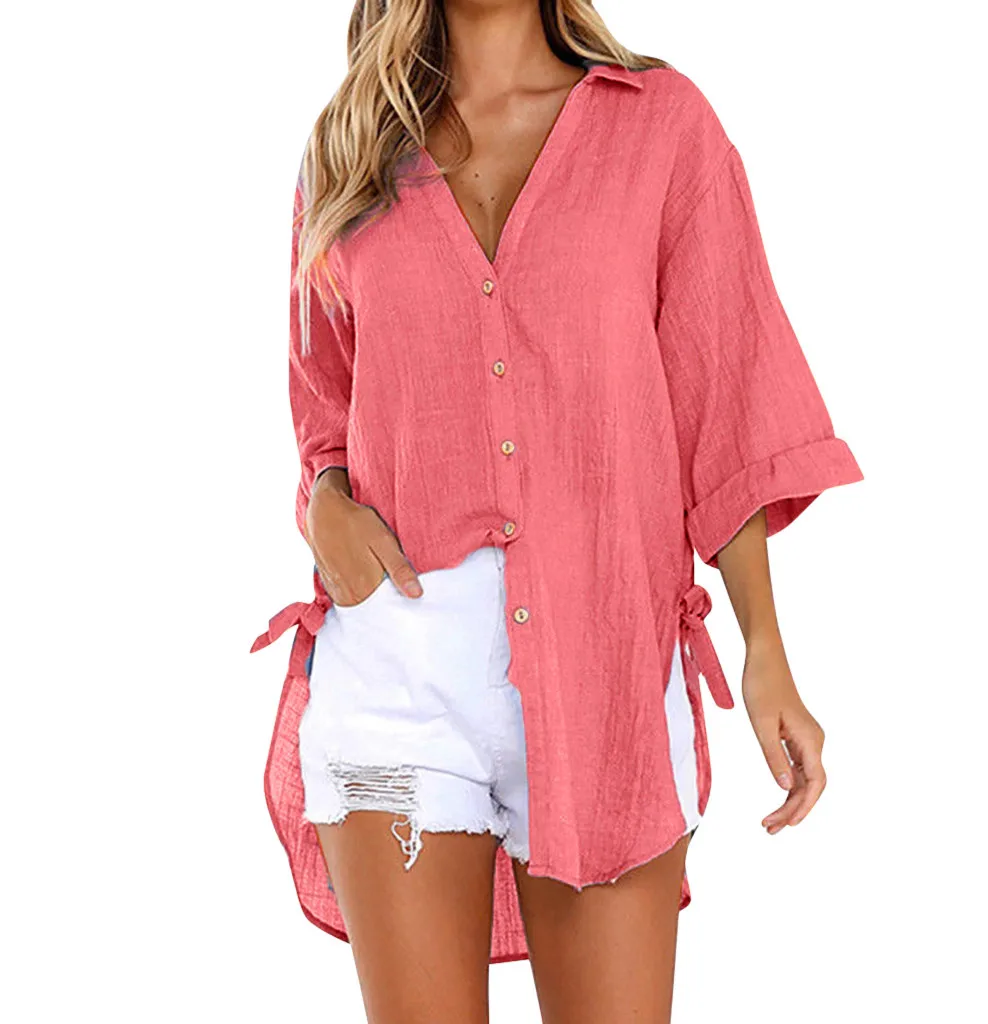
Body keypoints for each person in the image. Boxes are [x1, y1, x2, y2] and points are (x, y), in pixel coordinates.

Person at [250, 1, 863, 1020]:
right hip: (398, 675)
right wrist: (324, 504)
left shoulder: (661, 127)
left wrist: (765, 647)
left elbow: (727, 402)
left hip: (608, 666)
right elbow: (323, 408)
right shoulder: (348, 150)